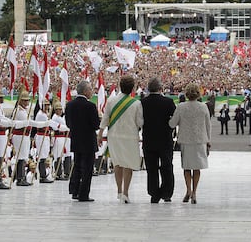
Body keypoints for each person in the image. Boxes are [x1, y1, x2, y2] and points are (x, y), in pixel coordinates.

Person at [98, 75, 143, 204]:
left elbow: (105, 119)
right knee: (128, 165)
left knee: (117, 163)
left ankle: (119, 190)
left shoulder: (111, 101)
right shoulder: (136, 103)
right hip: (130, 136)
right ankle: (126, 192)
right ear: (132, 88)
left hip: (114, 136)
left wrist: (100, 134)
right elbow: (140, 122)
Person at [169, 83, 210, 204]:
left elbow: (172, 124)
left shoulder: (181, 107)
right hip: (200, 140)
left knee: (187, 167)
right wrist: (209, 141)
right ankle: (195, 193)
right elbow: (208, 126)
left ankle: (188, 190)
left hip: (186, 140)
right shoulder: (203, 107)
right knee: (197, 168)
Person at [141, 77, 176, 203]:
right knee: (167, 166)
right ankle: (167, 192)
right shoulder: (168, 102)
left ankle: (154, 193)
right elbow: (174, 119)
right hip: (165, 139)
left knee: (151, 168)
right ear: (161, 88)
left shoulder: (142, 102)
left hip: (149, 139)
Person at [65, 81, 100, 202]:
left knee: (77, 166)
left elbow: (68, 123)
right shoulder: (90, 106)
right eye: (90, 89)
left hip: (76, 140)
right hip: (88, 142)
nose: (92, 91)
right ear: (85, 91)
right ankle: (84, 194)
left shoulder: (69, 105)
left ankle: (75, 191)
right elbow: (96, 125)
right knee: (87, 169)